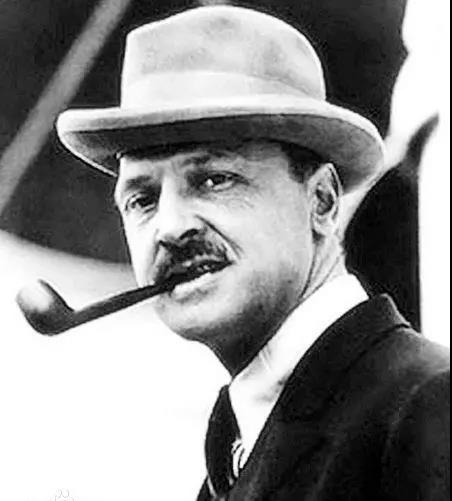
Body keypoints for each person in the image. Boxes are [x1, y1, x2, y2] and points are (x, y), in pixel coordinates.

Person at [56, 5, 450, 500]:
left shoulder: (427, 405)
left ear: (322, 201)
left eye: (214, 179)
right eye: (142, 199)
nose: (170, 227)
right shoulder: (237, 445)